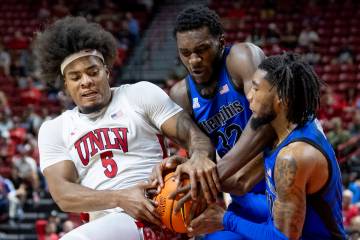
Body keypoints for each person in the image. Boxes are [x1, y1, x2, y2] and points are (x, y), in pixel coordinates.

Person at [35, 16, 216, 240]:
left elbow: (195, 137)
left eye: (93, 72)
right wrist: (119, 198)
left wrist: (198, 157)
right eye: (76, 77)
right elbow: (63, 194)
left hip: (157, 212)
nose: (86, 81)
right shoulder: (54, 129)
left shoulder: (139, 94)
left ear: (107, 72)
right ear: (65, 84)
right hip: (107, 225)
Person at [187, 53, 346, 239]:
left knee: (219, 234)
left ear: (282, 98)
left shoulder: (293, 157)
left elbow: (282, 238)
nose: (248, 95)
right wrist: (188, 172)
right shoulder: (285, 125)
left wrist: (224, 219)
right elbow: (240, 182)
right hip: (280, 220)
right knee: (227, 223)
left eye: (256, 89)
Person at [166, 6, 275, 239]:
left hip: (273, 176)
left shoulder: (240, 58)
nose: (193, 60)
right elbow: (201, 155)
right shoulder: (181, 95)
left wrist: (221, 172)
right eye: (185, 53)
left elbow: (266, 118)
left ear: (221, 42)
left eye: (202, 50)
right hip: (239, 196)